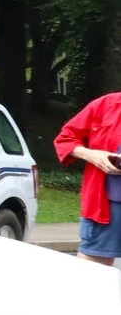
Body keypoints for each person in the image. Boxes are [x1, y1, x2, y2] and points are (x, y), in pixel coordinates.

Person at [53, 92, 121, 267]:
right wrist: (92, 155)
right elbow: (65, 139)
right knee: (92, 272)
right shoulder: (106, 105)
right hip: (107, 208)